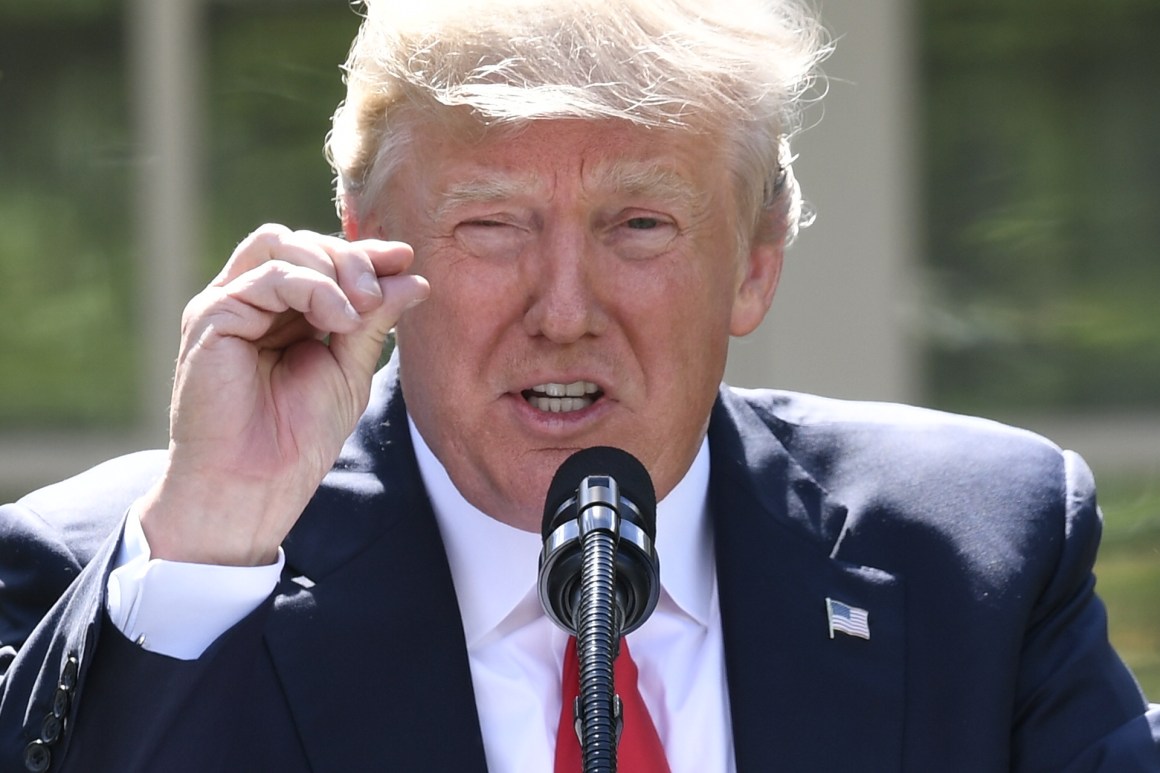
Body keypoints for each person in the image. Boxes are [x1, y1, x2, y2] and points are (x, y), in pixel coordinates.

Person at [1, 0, 1158, 770]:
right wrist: (209, 550)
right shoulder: (134, 573)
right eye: (491, 225)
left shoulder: (975, 554)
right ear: (365, 245)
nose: (563, 309)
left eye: (639, 224)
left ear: (754, 262)